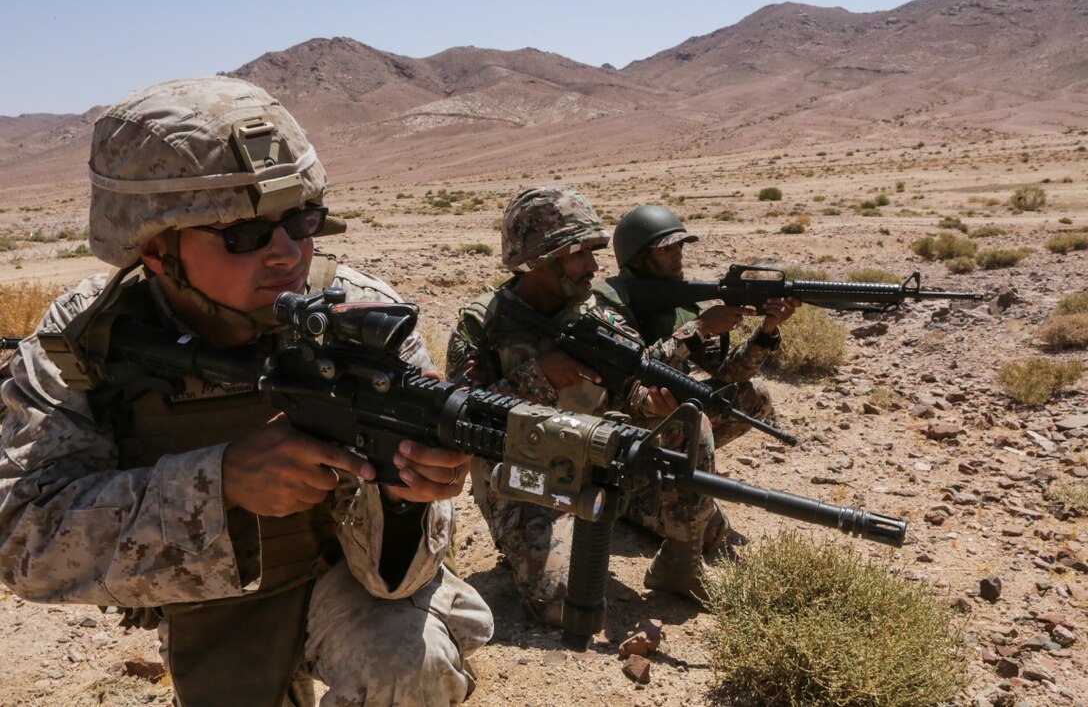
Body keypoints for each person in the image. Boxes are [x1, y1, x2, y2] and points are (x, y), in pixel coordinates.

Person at [0, 77, 492, 706]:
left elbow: (399, 580)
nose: (287, 253)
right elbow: (24, 540)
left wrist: (403, 496)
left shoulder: (368, 323)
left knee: (404, 660)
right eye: (242, 234)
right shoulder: (85, 343)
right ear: (156, 250)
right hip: (205, 596)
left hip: (340, 576)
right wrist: (220, 481)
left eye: (301, 220)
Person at [445, 187, 723, 627]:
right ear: (539, 258)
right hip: (526, 479)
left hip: (601, 461)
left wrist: (646, 403)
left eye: (594, 251)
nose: (595, 265)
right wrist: (539, 375)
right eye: (579, 254)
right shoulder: (482, 322)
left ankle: (679, 564)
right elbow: (459, 419)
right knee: (567, 602)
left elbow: (626, 388)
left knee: (703, 495)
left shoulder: (597, 315)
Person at [593, 204, 800, 447]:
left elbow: (727, 374)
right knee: (693, 420)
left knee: (753, 395)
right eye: (666, 249)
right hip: (617, 415)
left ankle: (679, 464)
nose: (678, 254)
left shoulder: (680, 303)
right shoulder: (608, 303)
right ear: (637, 258)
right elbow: (631, 371)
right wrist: (700, 327)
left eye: (680, 245)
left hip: (665, 405)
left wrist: (766, 331)